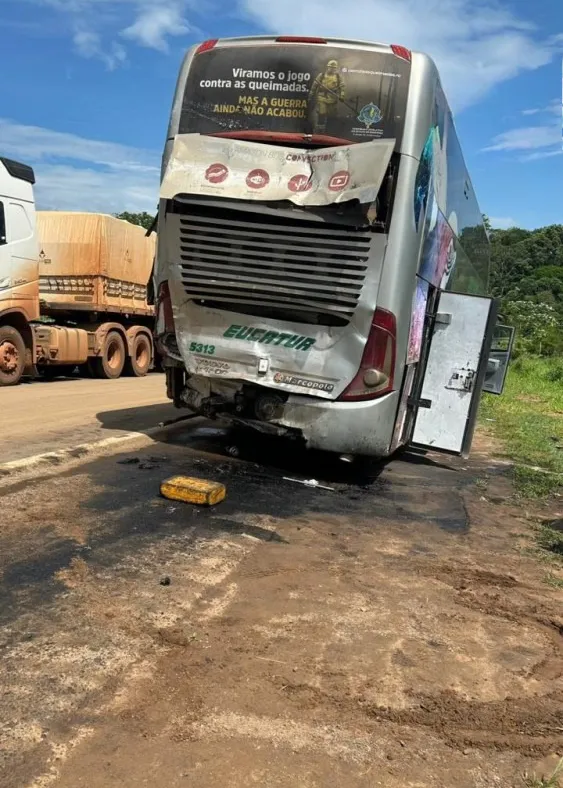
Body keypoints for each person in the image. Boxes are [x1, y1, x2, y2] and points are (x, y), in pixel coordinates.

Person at [309, 60, 345, 133]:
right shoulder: (321, 75)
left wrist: (342, 95)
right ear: (327, 67)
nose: (332, 69)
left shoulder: (338, 77)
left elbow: (342, 86)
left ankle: (330, 130)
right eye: (331, 67)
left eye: (334, 68)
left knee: (331, 115)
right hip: (322, 97)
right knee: (322, 113)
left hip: (333, 98)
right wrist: (310, 95)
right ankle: (319, 130)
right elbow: (314, 86)